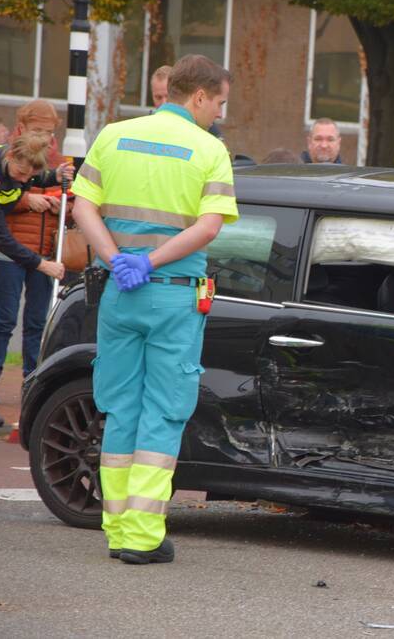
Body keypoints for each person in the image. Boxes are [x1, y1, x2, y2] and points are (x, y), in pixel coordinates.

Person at [72, 54, 238, 565]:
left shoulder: (113, 135)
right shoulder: (210, 149)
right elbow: (208, 228)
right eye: (220, 103)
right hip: (172, 294)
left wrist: (118, 260)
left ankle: (118, 529)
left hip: (119, 293)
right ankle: (144, 536)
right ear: (199, 96)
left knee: (120, 407)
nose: (220, 114)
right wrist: (150, 262)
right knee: (163, 411)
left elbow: (83, 207)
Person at [0, 133, 66, 426]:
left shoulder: (20, 169)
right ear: (8, 157)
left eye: (29, 175)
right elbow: (1, 237)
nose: (23, 180)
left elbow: (30, 177)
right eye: (20, 173)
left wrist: (52, 176)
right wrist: (42, 264)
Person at [0, 100, 75, 405]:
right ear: (21, 129)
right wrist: (28, 202)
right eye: (38, 131)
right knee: (4, 318)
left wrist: (65, 204)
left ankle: (32, 380)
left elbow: (72, 198)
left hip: (45, 253)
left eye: (49, 133)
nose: (45, 138)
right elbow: (1, 198)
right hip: (11, 251)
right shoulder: (9, 156)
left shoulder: (58, 160)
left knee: (38, 322)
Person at [153, 64, 223, 139]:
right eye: (158, 97)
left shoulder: (209, 128)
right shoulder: (147, 125)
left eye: (167, 96)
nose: (163, 102)